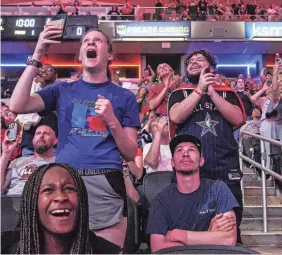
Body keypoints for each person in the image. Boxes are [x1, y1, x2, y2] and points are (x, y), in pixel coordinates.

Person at [9, 27, 140, 248]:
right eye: (86, 41)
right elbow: (17, 105)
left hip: (105, 180)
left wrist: (111, 120)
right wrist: (39, 51)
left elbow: (129, 152)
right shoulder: (61, 90)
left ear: (109, 54)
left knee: (106, 252)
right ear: (80, 54)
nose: (91, 43)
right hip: (65, 179)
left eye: (98, 40)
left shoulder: (124, 96)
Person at [168, 49, 245, 243]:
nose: (193, 62)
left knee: (229, 227)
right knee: (189, 225)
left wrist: (211, 92)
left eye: (199, 59)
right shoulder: (179, 93)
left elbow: (237, 118)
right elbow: (176, 116)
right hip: (190, 169)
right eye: (190, 61)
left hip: (224, 167)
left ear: (210, 67)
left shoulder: (227, 93)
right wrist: (199, 90)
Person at [1, 163, 120, 254]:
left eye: (68, 188)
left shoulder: (106, 251)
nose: (60, 197)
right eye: (48, 190)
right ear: (32, 201)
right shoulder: (6, 246)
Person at [147, 134, 238, 252]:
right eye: (179, 150)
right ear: (172, 162)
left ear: (201, 161)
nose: (185, 154)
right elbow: (157, 248)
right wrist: (209, 235)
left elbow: (228, 240)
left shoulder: (218, 189)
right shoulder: (160, 200)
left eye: (191, 149)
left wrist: (177, 235)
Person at [16, 64, 58, 157]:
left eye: (48, 69)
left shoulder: (60, 92)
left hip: (53, 146)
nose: (44, 71)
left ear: (56, 76)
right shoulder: (30, 89)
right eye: (42, 68)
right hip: (29, 145)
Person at [1, 125, 57, 195]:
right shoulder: (17, 162)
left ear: (55, 141)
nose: (41, 136)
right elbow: (1, 188)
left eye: (46, 133)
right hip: (13, 201)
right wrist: (6, 154)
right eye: (38, 133)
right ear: (33, 140)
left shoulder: (59, 164)